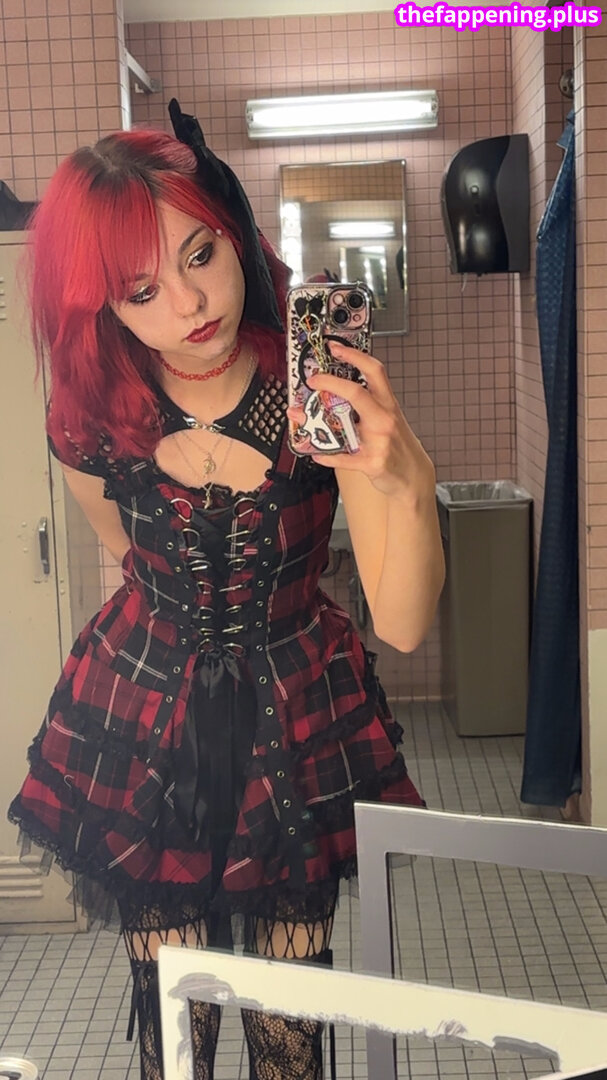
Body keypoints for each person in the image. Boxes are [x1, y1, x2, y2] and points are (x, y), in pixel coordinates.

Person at [8, 102, 445, 1080]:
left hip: (294, 713)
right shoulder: (88, 413)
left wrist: (405, 478)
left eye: (200, 254)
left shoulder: (315, 389)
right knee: (177, 1033)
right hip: (145, 719)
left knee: (289, 1038)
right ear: (104, 306)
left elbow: (404, 623)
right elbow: (132, 558)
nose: (189, 303)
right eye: (141, 289)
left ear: (234, 229)